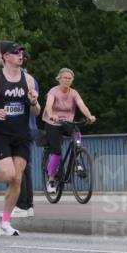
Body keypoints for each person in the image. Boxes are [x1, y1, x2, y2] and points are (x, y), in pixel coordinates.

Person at [0, 41, 41, 236]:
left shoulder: (28, 79)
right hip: (1, 134)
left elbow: (36, 112)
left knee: (17, 178)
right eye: (15, 52)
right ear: (5, 56)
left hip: (22, 134)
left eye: (21, 51)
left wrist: (34, 101)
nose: (20, 55)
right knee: (9, 174)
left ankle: (5, 222)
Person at [42, 67, 96, 196]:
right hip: (53, 123)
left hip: (67, 122)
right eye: (65, 78)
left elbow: (81, 105)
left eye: (70, 78)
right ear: (59, 79)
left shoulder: (74, 93)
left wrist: (89, 116)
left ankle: (77, 158)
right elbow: (48, 106)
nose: (67, 80)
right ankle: (51, 180)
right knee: (56, 151)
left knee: (76, 133)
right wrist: (51, 115)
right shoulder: (53, 91)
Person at [14, 49, 38, 218]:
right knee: (25, 168)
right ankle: (27, 204)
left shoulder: (20, 79)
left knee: (19, 168)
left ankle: (22, 204)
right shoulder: (32, 79)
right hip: (29, 127)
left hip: (19, 128)